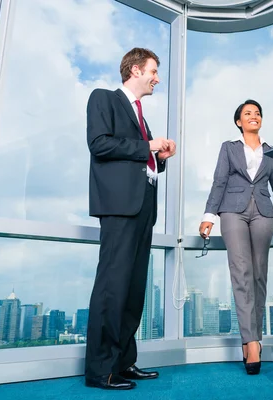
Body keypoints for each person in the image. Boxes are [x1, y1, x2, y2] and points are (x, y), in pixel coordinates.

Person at [84, 47, 176, 390]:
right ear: (136, 70)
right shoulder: (104, 98)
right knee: (113, 287)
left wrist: (160, 157)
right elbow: (100, 144)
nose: (157, 78)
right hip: (119, 206)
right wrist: (148, 146)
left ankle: (123, 362)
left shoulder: (141, 115)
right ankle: (100, 370)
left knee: (134, 289)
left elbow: (140, 157)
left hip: (142, 207)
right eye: (153, 71)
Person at [199, 99, 273, 375]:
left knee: (259, 275)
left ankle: (256, 339)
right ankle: (250, 342)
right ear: (239, 121)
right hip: (231, 212)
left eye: (257, 113)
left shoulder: (272, 152)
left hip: (263, 213)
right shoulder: (229, 148)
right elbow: (219, 182)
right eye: (248, 113)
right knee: (242, 273)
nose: (253, 116)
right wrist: (209, 216)